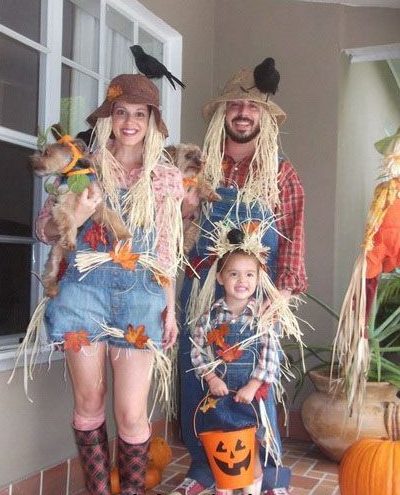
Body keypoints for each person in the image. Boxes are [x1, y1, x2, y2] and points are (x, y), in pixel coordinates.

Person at [35, 74, 184, 495]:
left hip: (141, 297)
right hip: (83, 293)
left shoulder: (165, 178)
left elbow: (167, 250)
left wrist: (170, 307)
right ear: (109, 118)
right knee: (88, 402)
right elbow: (45, 230)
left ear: (152, 121)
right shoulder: (82, 166)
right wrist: (77, 217)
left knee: (133, 414)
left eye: (140, 114)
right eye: (121, 112)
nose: (130, 121)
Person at [174, 66, 307, 495]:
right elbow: (177, 226)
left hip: (256, 288)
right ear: (223, 114)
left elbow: (294, 229)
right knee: (197, 378)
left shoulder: (280, 173)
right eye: (236, 104)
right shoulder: (200, 166)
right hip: (201, 290)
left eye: (253, 105)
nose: (244, 112)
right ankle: (203, 469)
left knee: (257, 379)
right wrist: (183, 205)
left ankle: (266, 473)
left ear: (263, 117)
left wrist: (282, 292)